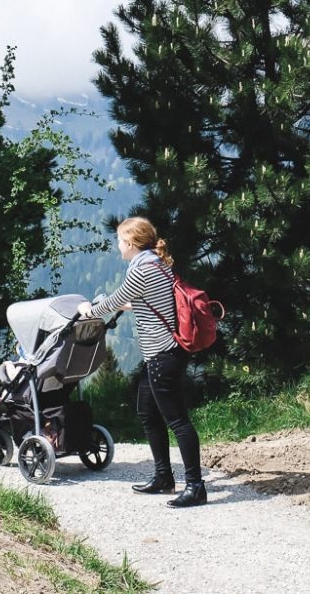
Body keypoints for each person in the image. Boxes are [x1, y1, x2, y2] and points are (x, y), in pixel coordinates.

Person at [78, 217, 206, 508]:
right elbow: (146, 300)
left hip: (163, 354)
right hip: (161, 355)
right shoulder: (155, 263)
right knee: (147, 412)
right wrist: (122, 304)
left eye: (120, 240)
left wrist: (88, 311)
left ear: (131, 242)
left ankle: (196, 486)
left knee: (178, 421)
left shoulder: (143, 268)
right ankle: (163, 476)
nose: (118, 245)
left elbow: (114, 300)